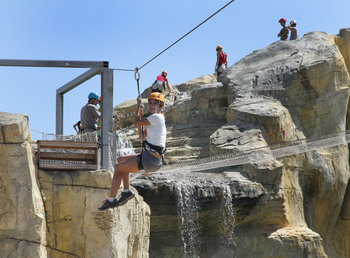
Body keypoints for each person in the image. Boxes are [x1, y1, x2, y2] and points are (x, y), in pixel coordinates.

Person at [98, 92, 166, 210]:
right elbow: (141, 136)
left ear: (160, 106)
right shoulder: (153, 120)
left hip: (150, 159)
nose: (152, 105)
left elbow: (135, 123)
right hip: (151, 158)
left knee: (118, 168)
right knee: (120, 160)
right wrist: (140, 118)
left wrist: (138, 106)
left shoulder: (157, 117)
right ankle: (126, 191)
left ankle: (111, 200)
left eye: (155, 103)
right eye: (150, 102)